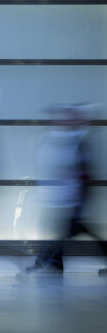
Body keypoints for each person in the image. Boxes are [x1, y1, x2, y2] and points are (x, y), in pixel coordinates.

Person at [25, 104, 107, 275]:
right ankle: (53, 262)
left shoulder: (81, 139)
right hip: (67, 194)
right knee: (72, 229)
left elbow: (84, 169)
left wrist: (71, 174)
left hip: (76, 194)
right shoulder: (65, 138)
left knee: (67, 230)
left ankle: (45, 260)